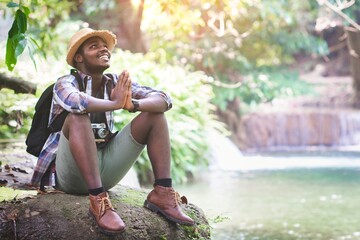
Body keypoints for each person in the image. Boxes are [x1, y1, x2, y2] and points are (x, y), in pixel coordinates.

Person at [30, 27, 194, 234]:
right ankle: (98, 202)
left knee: (155, 115)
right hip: (70, 175)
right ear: (79, 58)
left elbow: (163, 100)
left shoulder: (114, 83)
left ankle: (162, 192)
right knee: (77, 117)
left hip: (106, 169)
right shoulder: (65, 83)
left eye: (105, 46)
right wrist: (115, 103)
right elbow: (76, 102)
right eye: (94, 46)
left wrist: (132, 104)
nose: (103, 49)